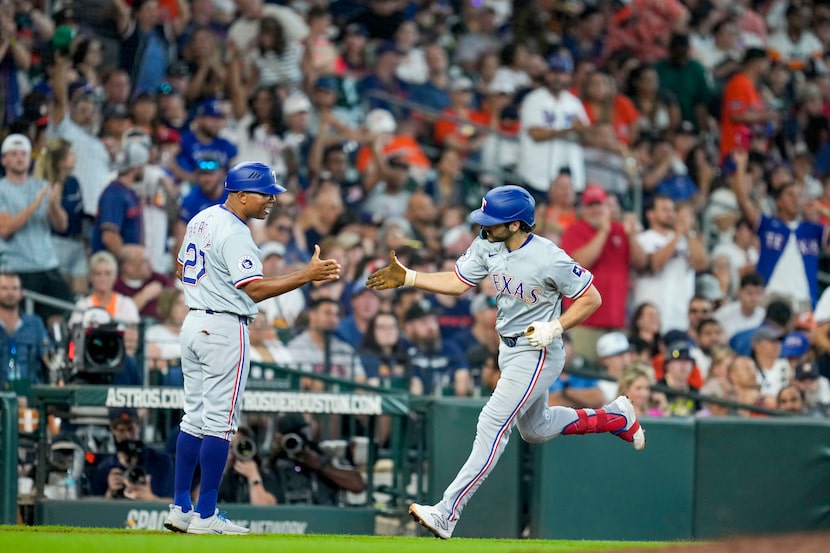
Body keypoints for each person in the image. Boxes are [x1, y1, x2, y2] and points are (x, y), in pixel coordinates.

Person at [365, 184, 645, 540]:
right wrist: (410, 277)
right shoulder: (487, 244)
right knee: (536, 428)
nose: (484, 225)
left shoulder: (549, 257)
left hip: (538, 349)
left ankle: (447, 512)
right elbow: (457, 282)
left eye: (493, 220)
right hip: (509, 348)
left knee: (492, 422)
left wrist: (555, 326)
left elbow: (592, 297)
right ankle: (616, 417)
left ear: (515, 225)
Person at [163, 161, 341, 535]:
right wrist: (306, 276)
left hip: (194, 321)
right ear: (241, 195)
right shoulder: (235, 231)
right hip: (225, 327)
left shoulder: (201, 218)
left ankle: (181, 506)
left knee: (193, 417)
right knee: (220, 424)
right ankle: (206, 514)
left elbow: (181, 269)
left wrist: (210, 288)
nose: (271, 201)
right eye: (265, 194)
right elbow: (255, 289)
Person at [92, 407, 174, 501]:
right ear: (112, 430)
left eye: (130, 429)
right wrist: (110, 493)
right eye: (121, 430)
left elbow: (173, 504)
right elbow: (94, 510)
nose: (127, 435)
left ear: (138, 425)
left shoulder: (160, 462)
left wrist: (150, 498)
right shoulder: (105, 468)